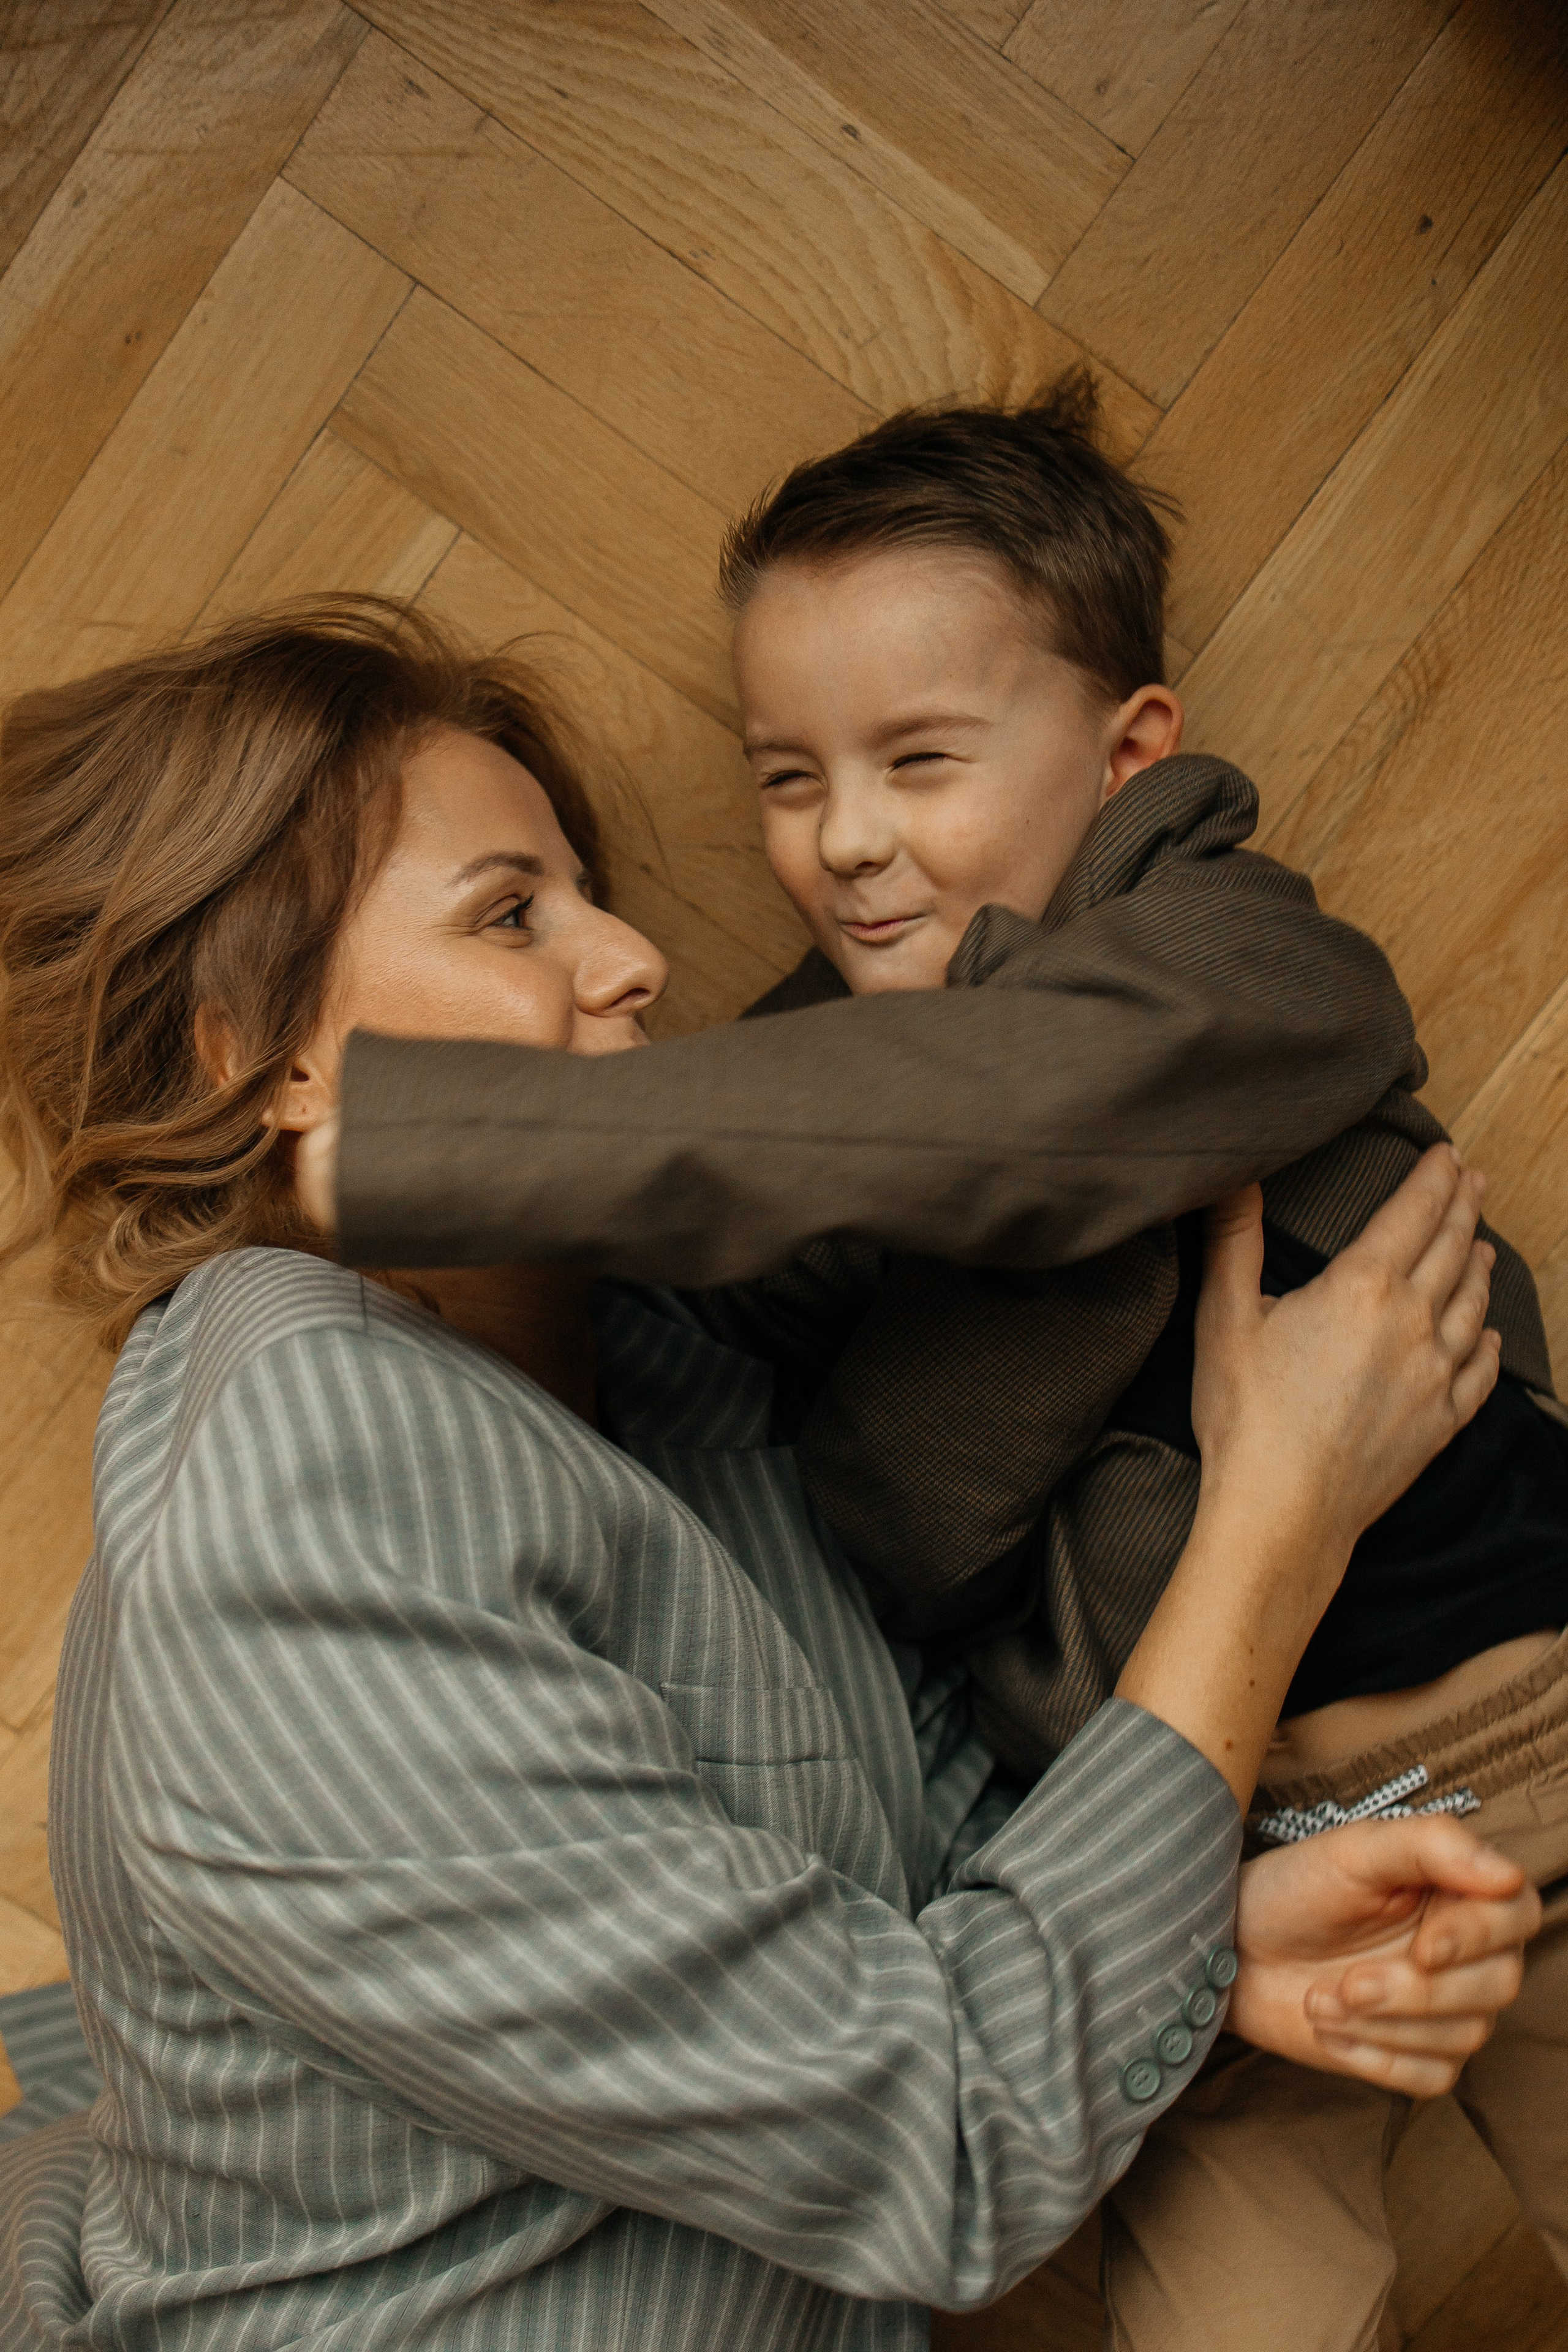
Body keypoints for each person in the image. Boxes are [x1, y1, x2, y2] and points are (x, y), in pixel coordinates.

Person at [0, 603, 1536, 2351]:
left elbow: (902, 1900)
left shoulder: (662, 1372)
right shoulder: (304, 1500)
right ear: (253, 1052)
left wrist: (1219, 1932)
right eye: (513, 914)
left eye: (588, 891)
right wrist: (1281, 1519)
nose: (636, 956)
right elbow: (947, 2140)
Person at [710, 380, 1568, 2342]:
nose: (846, 843)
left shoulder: (1224, 937)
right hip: (1210, 1883)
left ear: (1128, 754)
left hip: (1526, 1743)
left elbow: (1060, 1136)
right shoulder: (793, 1133)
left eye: (920, 759)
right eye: (781, 778)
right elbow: (892, 1532)